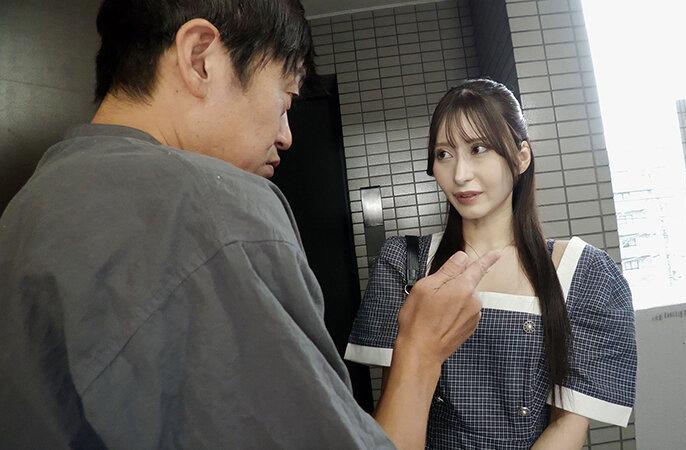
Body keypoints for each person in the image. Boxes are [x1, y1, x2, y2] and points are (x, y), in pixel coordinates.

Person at [0, 2, 500, 449]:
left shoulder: (31, 207)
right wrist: (421, 352)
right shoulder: (210, 210)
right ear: (201, 58)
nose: (286, 136)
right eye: (285, 100)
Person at [345, 79, 637, 449]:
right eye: (444, 154)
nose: (460, 174)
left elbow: (569, 425)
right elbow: (397, 410)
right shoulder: (405, 264)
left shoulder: (583, 273)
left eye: (478, 149)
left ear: (521, 157)